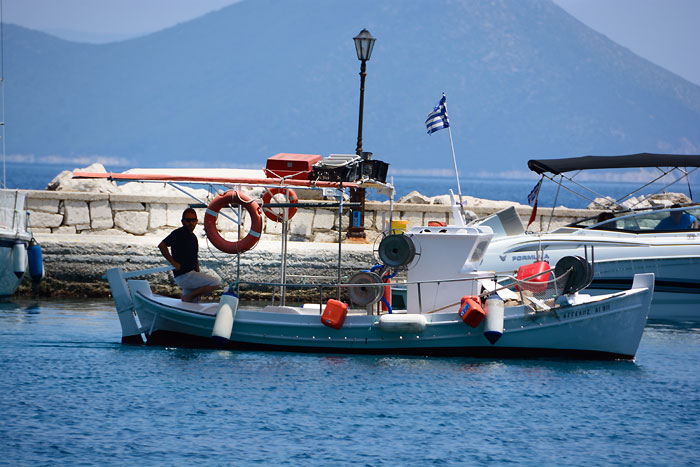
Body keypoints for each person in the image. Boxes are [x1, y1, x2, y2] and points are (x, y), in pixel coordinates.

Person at [158, 208, 221, 302]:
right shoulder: (178, 233)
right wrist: (173, 262)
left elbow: (194, 258)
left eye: (193, 220)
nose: (191, 223)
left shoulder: (193, 237)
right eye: (188, 220)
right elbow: (162, 245)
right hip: (183, 275)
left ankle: (188, 301)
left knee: (191, 305)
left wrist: (198, 273)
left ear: (196, 221)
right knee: (215, 282)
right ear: (183, 221)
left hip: (192, 275)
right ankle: (189, 297)